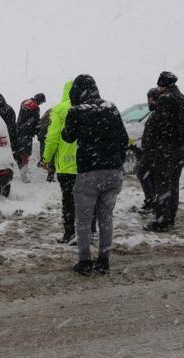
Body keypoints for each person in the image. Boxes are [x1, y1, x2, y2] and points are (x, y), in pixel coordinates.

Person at [62, 75, 128, 276]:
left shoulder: (76, 111)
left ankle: (84, 262)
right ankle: (104, 261)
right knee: (106, 217)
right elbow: (124, 139)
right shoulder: (112, 108)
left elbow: (68, 136)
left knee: (83, 220)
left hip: (88, 173)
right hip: (113, 172)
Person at [142, 71, 184, 233]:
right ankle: (170, 217)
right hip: (179, 149)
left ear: (163, 84)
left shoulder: (166, 99)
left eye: (159, 84)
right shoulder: (183, 99)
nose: (158, 88)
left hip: (166, 149)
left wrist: (155, 142)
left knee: (162, 184)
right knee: (174, 184)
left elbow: (159, 124)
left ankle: (161, 221)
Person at [42, 81, 78, 244]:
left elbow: (52, 137)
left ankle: (70, 233)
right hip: (86, 163)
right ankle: (89, 230)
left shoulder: (59, 109)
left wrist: (47, 158)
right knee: (87, 199)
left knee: (68, 200)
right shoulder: (87, 108)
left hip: (66, 165)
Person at [135, 88, 159, 215]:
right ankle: (153, 200)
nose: (148, 101)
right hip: (151, 151)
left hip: (152, 152)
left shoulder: (157, 114)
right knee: (148, 174)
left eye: (149, 98)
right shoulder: (156, 113)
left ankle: (151, 201)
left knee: (141, 172)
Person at [14, 93, 46, 181]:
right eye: (41, 102)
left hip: (19, 131)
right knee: (26, 154)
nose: (41, 104)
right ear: (39, 100)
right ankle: (23, 176)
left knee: (20, 153)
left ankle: (21, 170)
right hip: (27, 134)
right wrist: (39, 134)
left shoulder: (24, 102)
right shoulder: (35, 107)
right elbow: (35, 122)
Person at [0, 93, 17, 162]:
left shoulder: (7, 109)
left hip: (9, 135)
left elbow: (10, 125)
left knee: (11, 153)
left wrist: (6, 135)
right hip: (3, 134)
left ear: (1, 100)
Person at [37, 107, 55, 182]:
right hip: (47, 134)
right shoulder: (54, 115)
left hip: (42, 133)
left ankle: (41, 161)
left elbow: (40, 123)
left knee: (42, 147)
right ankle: (50, 173)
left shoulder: (48, 112)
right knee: (51, 152)